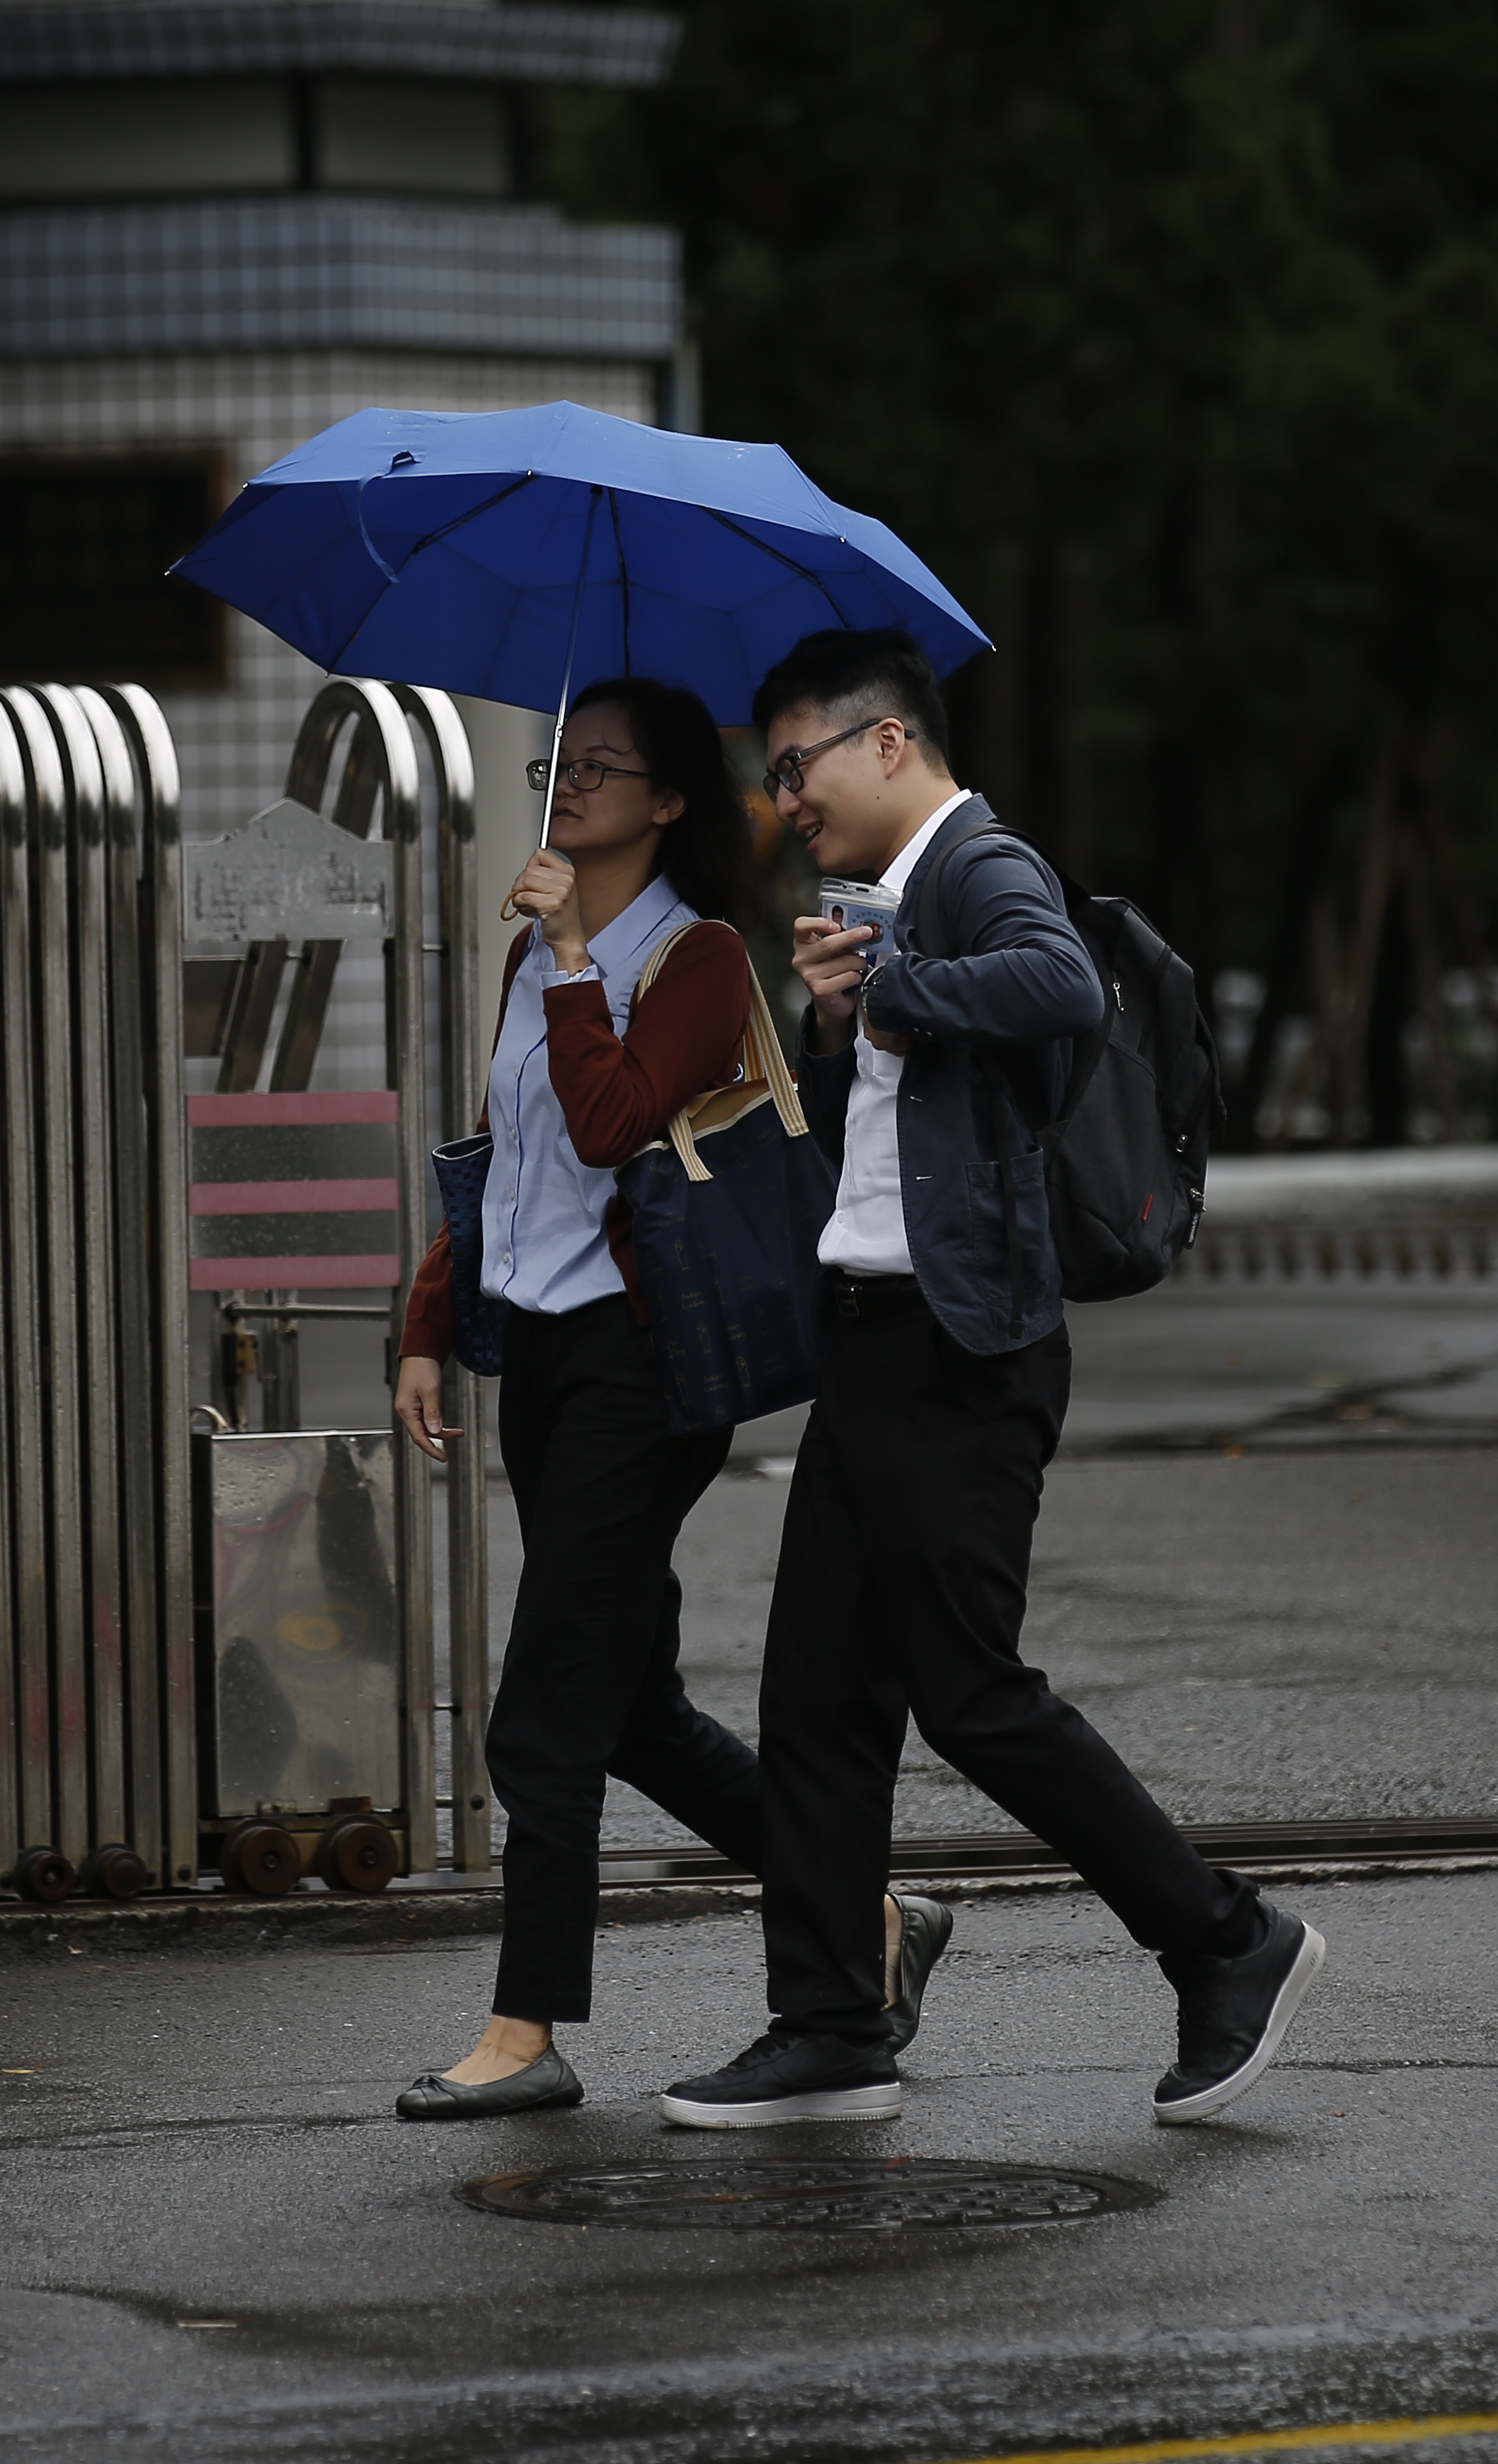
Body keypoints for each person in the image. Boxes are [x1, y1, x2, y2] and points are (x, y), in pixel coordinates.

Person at [657, 630, 1321, 2133]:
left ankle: (1229, 1941)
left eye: (797, 765)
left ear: (888, 744)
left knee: (972, 1694)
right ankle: (829, 2023)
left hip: (963, 1354)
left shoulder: (976, 863)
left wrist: (891, 988)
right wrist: (844, 1024)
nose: (784, 802)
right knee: (821, 1696)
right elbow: (894, 1133)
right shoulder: (899, 904)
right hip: (883, 1340)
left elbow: (1058, 986)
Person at [387, 675, 954, 2119]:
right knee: (630, 1709)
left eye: (600, 768)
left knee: (544, 1712)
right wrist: (425, 1323)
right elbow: (511, 1159)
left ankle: (527, 2034)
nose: (566, 787)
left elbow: (614, 1120)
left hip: (649, 1374)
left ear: (669, 799)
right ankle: (872, 1916)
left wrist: (573, 951)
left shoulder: (694, 959)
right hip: (546, 1359)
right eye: (558, 766)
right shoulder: (537, 956)